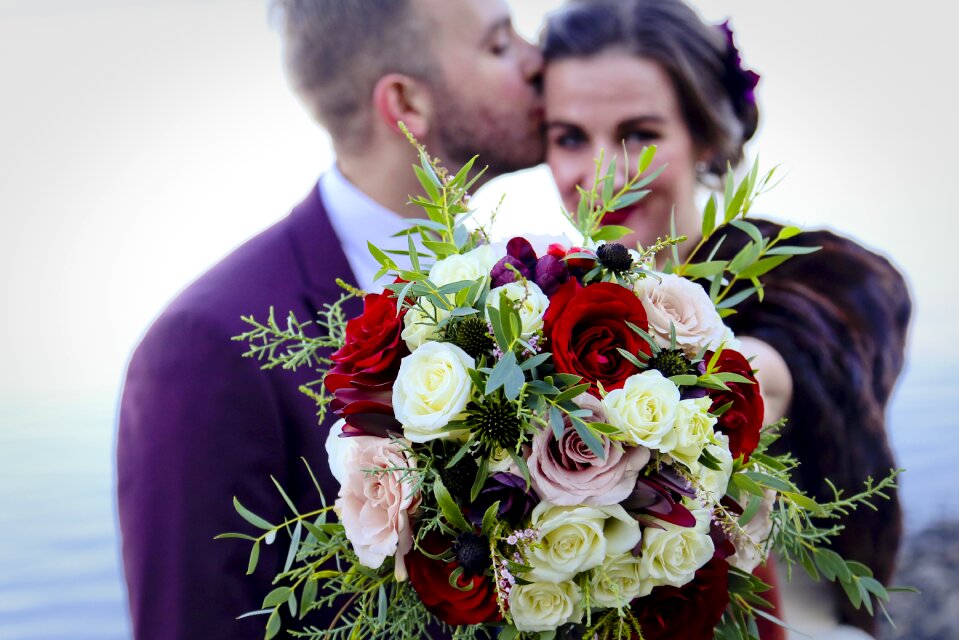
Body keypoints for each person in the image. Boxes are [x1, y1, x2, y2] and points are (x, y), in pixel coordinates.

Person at [115, 1, 543, 638]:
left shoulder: (523, 292)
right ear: (406, 103)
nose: (539, 63)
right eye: (500, 45)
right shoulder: (209, 345)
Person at [540, 0, 909, 637]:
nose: (602, 173)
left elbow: (808, 348)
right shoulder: (539, 304)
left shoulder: (824, 274)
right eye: (571, 137)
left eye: (640, 134)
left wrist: (733, 382)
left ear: (705, 135)